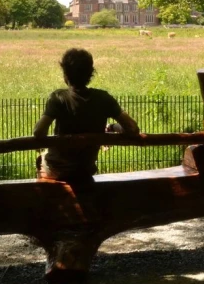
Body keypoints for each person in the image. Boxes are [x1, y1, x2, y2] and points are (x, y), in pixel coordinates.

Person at [33, 48, 140, 183]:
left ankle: (45, 199)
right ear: (90, 74)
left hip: (59, 169)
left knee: (41, 159)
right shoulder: (104, 98)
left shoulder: (58, 98)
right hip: (85, 169)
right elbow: (133, 128)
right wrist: (113, 127)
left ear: (66, 74)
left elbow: (38, 132)